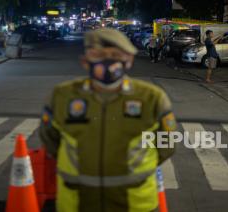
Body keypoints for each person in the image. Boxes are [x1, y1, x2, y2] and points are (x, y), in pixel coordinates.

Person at [39, 28, 176, 212]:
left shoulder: (152, 98)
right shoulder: (62, 96)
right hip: (76, 203)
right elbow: (50, 140)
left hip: (136, 204)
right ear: (85, 61)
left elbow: (166, 144)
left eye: (115, 54)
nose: (107, 60)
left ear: (129, 60)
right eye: (98, 54)